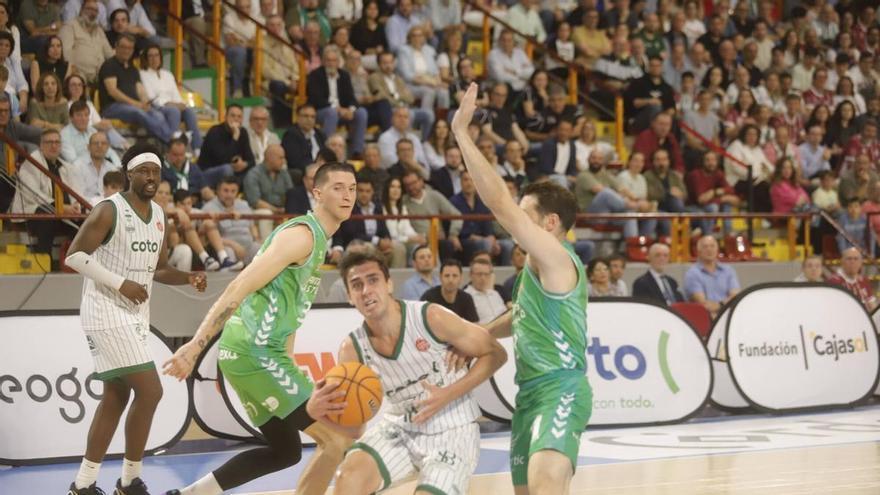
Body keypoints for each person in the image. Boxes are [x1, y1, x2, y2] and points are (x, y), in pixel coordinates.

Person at [162, 162, 359, 495]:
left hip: (257, 354)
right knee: (337, 440)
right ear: (317, 193)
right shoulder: (301, 236)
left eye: (352, 188)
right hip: (254, 352)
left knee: (285, 452)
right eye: (338, 187)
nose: (347, 195)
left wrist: (289, 361)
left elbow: (291, 310)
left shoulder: (320, 241)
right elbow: (239, 286)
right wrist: (196, 346)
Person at [451, 82, 591, 494]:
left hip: (562, 386)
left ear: (549, 224)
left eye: (526, 214)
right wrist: (479, 334)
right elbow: (522, 316)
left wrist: (462, 132)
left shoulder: (558, 257)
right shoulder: (534, 271)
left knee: (545, 481)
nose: (515, 222)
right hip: (529, 392)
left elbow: (500, 206)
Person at [64, 147, 206, 495]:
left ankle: (83, 484)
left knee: (116, 395)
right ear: (128, 173)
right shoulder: (108, 210)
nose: (151, 178)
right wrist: (119, 283)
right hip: (104, 310)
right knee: (151, 390)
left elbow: (158, 269)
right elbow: (75, 257)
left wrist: (188, 277)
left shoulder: (160, 215)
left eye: (155, 172)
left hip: (135, 315)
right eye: (143, 171)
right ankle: (129, 479)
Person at [311, 251, 506, 495]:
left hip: (453, 430)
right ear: (350, 296)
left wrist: (448, 394)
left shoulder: (430, 317)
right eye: (357, 285)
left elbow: (496, 354)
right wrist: (316, 412)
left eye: (373, 280)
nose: (366, 291)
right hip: (400, 429)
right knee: (348, 478)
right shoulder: (351, 349)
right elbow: (355, 429)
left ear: (389, 284)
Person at [97, 34, 179, 144]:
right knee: (138, 113)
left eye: (130, 48)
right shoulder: (109, 65)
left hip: (131, 106)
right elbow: (113, 91)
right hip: (112, 107)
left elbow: (140, 90)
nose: (127, 51)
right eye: (123, 47)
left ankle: (167, 140)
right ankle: (171, 141)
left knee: (157, 114)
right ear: (116, 47)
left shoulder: (132, 68)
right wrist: (136, 104)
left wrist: (145, 102)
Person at [307, 45, 367, 157]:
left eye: (334, 60)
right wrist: (338, 109)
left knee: (361, 113)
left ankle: (356, 151)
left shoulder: (344, 75)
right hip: (322, 111)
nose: (331, 63)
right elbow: (317, 99)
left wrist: (350, 109)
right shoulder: (315, 75)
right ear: (323, 61)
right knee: (332, 113)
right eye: (328, 60)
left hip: (342, 112)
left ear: (338, 62)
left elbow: (351, 98)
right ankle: (327, 152)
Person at [139, 44, 203, 149]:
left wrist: (181, 104)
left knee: (189, 112)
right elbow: (151, 97)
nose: (154, 59)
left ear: (160, 57)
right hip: (156, 107)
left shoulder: (168, 74)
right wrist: (170, 104)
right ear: (146, 58)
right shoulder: (142, 74)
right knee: (174, 111)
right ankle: (172, 145)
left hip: (172, 106)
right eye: (150, 56)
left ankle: (197, 148)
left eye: (157, 55)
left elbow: (176, 95)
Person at [202, 176, 262, 265]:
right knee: (228, 251)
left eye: (233, 191)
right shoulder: (209, 208)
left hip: (249, 246)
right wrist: (233, 245)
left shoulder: (244, 204)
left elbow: (252, 226)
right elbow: (208, 238)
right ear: (217, 191)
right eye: (225, 191)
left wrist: (257, 238)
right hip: (227, 246)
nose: (229, 195)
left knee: (261, 249)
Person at [244, 144, 293, 239]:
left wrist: (286, 210)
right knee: (266, 214)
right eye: (281, 158)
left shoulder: (284, 174)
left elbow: (291, 194)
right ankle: (267, 247)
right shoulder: (254, 174)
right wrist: (276, 211)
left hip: (281, 210)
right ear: (270, 157)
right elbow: (255, 202)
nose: (283, 161)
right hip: (256, 211)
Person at [684, 235, 741, 316]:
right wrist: (725, 304)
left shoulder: (728, 270)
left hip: (728, 315)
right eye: (705, 246)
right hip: (705, 317)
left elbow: (735, 297)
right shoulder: (692, 274)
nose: (709, 249)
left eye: (712, 246)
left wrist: (720, 305)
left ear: (717, 249)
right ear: (698, 251)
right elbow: (703, 304)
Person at [59, 0, 113, 85]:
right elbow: (65, 53)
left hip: (100, 78)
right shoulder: (69, 26)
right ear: (81, 10)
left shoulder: (99, 31)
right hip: (77, 78)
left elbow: (109, 54)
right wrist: (73, 71)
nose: (93, 13)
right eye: (89, 9)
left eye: (96, 11)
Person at [198, 103, 254, 180]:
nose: (236, 119)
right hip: (208, 172)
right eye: (233, 116)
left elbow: (252, 160)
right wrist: (235, 138)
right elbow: (223, 160)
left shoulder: (243, 132)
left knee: (254, 171)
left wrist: (244, 164)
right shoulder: (215, 131)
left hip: (233, 171)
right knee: (227, 169)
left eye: (239, 117)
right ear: (225, 117)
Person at [72, 131, 121, 204]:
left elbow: (116, 194)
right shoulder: (77, 166)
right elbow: (77, 196)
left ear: (108, 147)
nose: (100, 146)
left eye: (103, 143)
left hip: (107, 209)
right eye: (96, 143)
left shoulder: (113, 169)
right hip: (84, 210)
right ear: (88, 147)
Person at [464, 257, 507, 323]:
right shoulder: (466, 296)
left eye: (486, 274)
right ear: (470, 275)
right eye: (479, 274)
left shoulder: (495, 294)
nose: (483, 278)